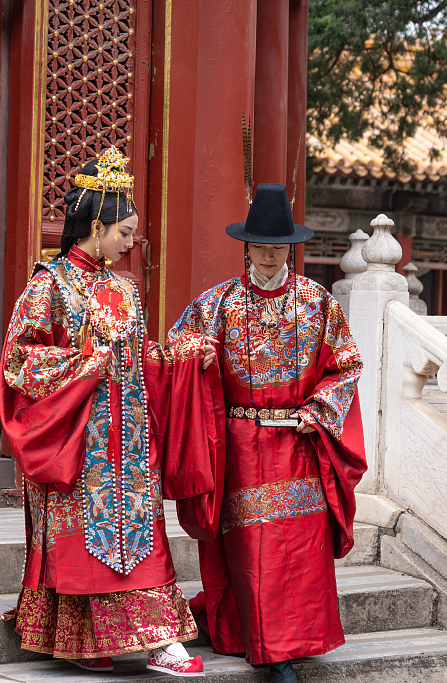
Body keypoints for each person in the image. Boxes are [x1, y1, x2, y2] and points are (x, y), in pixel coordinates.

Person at [0, 147, 223, 677]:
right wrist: (87, 363)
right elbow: (19, 360)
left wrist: (182, 354)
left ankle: (161, 640)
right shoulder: (47, 285)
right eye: (124, 232)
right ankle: (87, 641)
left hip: (132, 440)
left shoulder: (124, 290)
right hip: (80, 438)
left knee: (140, 533)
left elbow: (140, 357)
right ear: (96, 227)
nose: (130, 243)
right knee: (85, 540)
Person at [169, 182, 367, 683]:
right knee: (253, 550)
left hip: (299, 443)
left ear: (290, 249)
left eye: (279, 248)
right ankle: (272, 654)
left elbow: (346, 363)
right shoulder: (217, 304)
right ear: (247, 246)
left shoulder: (317, 302)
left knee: (300, 551)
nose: (270, 256)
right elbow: (176, 350)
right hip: (240, 447)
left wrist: (319, 408)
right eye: (261, 246)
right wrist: (199, 359)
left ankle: (293, 639)